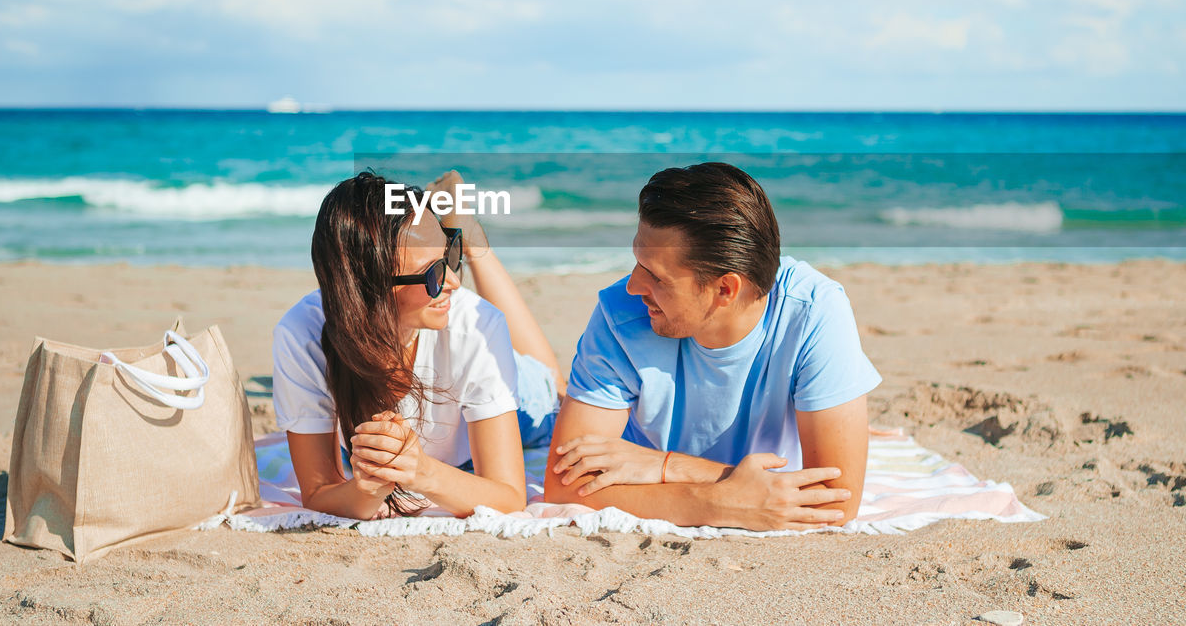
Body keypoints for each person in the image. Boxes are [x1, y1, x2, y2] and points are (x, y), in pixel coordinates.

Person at [544, 162, 881, 531]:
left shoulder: (813, 311)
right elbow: (563, 489)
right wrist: (714, 503)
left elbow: (833, 500)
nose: (633, 286)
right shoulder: (619, 314)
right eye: (637, 262)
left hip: (646, 471)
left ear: (725, 289)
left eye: (656, 276)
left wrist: (667, 465)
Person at [272, 170, 561, 520]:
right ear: (368, 288)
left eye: (449, 255)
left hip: (523, 398)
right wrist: (367, 490)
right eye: (433, 273)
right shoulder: (302, 334)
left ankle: (466, 231)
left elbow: (510, 497)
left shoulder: (475, 326)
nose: (454, 281)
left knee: (551, 385)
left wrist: (420, 472)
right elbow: (320, 494)